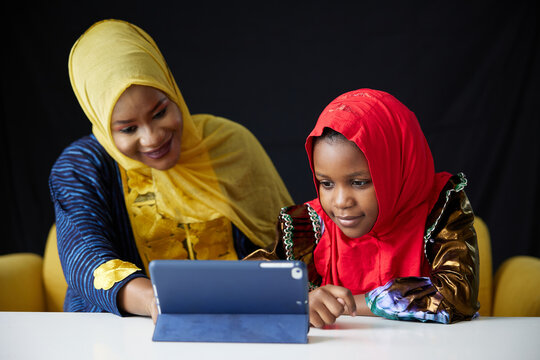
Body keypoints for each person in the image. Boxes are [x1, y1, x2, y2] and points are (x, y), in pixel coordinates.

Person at [49, 19, 293, 321]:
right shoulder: (81, 166)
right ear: (100, 121)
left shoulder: (228, 144)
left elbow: (285, 243)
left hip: (238, 321)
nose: (152, 138)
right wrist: (157, 301)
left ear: (171, 88)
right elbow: (84, 260)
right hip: (119, 334)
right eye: (128, 129)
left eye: (160, 112)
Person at [247, 89, 479, 326]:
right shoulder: (311, 227)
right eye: (326, 183)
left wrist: (347, 305)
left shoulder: (440, 211)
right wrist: (297, 300)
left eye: (359, 182)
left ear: (397, 170)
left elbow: (457, 296)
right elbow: (237, 286)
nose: (340, 201)